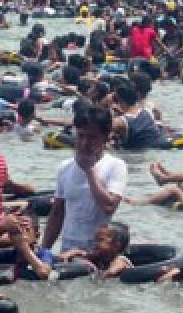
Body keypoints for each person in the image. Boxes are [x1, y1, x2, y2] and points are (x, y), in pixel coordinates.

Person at [41, 105, 127, 253]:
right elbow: (56, 215)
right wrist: (44, 251)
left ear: (106, 137)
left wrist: (89, 170)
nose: (85, 143)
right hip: (67, 249)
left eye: (92, 137)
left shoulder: (116, 166)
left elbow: (109, 207)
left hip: (97, 252)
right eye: (81, 136)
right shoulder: (64, 168)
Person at [112, 79, 163, 151]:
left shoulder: (119, 122)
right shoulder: (148, 111)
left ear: (120, 100)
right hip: (152, 152)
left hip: (133, 156)